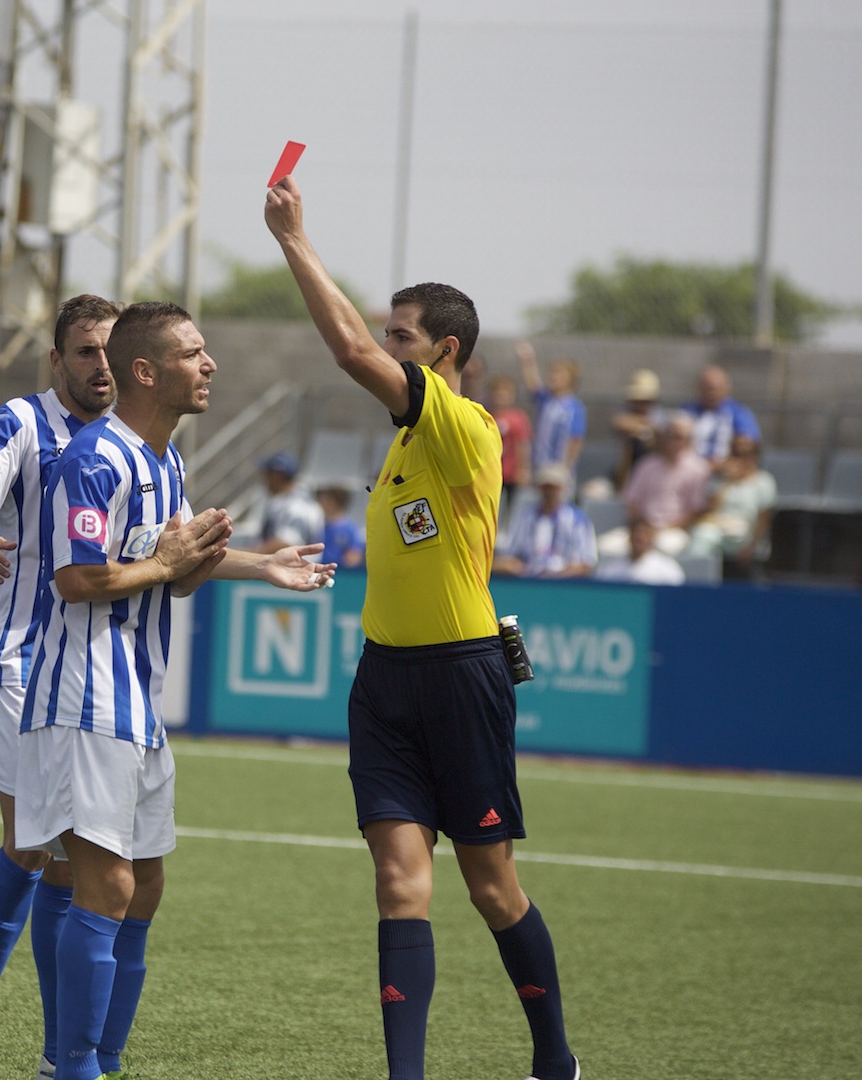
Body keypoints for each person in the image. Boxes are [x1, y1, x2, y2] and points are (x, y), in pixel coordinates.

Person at [266, 175, 580, 1080]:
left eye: (401, 336)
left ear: (445, 352)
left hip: (462, 677)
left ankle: (554, 1060)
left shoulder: (463, 426)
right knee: (400, 884)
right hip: (386, 682)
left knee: (492, 888)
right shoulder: (405, 442)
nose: (385, 345)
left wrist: (294, 240)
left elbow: (348, 351)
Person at [18, 300, 333, 1080]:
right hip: (84, 695)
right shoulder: (94, 458)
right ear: (146, 372)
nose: (210, 364)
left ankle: (102, 1058)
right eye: (194, 353)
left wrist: (260, 564)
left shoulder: (167, 463)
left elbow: (179, 570)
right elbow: (78, 578)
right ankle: (72, 1067)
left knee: (146, 884)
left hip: (136, 700)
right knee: (108, 884)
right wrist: (164, 564)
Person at [0, 294, 120, 1080]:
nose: (100, 365)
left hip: (93, 676)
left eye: (110, 351)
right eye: (85, 351)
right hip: (21, 661)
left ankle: (56, 1055)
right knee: (32, 844)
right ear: (56, 360)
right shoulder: (24, 421)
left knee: (74, 864)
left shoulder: (134, 441)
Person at [598, 412, 710, 558]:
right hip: (640, 529)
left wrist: (665, 528)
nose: (673, 442)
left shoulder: (698, 469)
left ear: (689, 441)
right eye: (670, 435)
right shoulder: (646, 465)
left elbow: (695, 511)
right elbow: (632, 503)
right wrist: (643, 528)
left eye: (679, 437)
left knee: (667, 548)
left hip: (672, 531)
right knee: (603, 547)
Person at [685, 436, 777, 576]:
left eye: (745, 454)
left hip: (746, 534)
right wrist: (727, 481)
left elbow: (764, 519)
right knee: (702, 537)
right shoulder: (720, 479)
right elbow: (710, 509)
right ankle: (694, 581)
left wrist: (751, 546)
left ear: (755, 457)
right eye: (735, 453)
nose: (740, 459)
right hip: (718, 529)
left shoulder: (764, 481)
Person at [494, 463, 597, 579]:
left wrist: (557, 575)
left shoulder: (578, 520)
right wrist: (515, 566)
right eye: (546, 487)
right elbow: (512, 554)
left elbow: (586, 563)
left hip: (565, 581)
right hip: (530, 578)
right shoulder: (526, 517)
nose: (549, 492)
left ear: (564, 488)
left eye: (554, 487)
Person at [515, 340, 585, 476]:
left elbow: (576, 438)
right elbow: (533, 385)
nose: (553, 377)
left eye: (559, 374)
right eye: (552, 373)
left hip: (559, 467)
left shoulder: (574, 407)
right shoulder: (547, 400)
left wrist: (566, 466)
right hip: (540, 465)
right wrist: (527, 361)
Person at [682, 364, 761, 473]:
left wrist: (722, 463)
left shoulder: (739, 413)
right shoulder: (687, 411)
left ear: (726, 388)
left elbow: (748, 444)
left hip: (724, 471)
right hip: (688, 471)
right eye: (706, 388)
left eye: (713, 389)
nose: (710, 393)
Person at [252, 449, 324, 553]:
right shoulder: (284, 500)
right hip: (281, 562)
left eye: (268, 473)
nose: (264, 478)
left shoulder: (299, 505)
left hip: (297, 563)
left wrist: (246, 555)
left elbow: (288, 542)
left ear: (277, 475)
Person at [610, 368, 669, 490]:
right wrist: (642, 427)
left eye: (646, 400)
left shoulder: (660, 415)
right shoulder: (626, 412)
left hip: (654, 475)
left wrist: (648, 431)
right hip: (626, 474)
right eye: (638, 400)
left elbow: (661, 435)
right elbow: (619, 422)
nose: (641, 403)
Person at [595, 519, 686, 586]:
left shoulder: (668, 568)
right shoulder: (610, 569)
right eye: (637, 536)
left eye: (645, 535)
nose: (641, 539)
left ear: (652, 538)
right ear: (630, 537)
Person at [486, 375, 533, 505]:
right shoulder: (487, 416)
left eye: (505, 393)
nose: (501, 397)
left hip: (511, 472)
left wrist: (523, 468)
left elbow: (522, 443)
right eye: (497, 393)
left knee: (512, 504)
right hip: (492, 471)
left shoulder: (517, 418)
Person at [318, 482, 366, 570]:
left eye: (327, 500)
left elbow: (354, 556)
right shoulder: (318, 525)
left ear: (337, 502)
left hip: (340, 573)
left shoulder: (351, 529)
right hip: (319, 570)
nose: (322, 502)